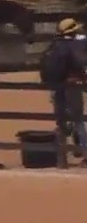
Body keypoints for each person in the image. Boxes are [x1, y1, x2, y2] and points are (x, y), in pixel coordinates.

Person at [41, 19, 87, 160]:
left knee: (60, 121)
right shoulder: (75, 46)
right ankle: (85, 153)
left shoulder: (53, 45)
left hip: (56, 85)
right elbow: (80, 65)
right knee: (78, 120)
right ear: (72, 31)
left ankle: (62, 157)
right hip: (71, 85)